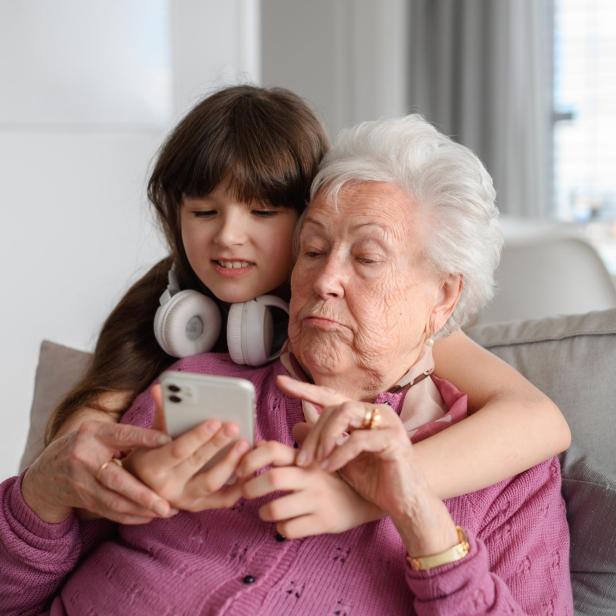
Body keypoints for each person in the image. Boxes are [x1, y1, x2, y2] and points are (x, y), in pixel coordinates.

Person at [0, 114, 572, 614]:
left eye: (367, 258)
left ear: (444, 297)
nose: (324, 280)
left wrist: (419, 517)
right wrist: (38, 499)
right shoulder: (193, 383)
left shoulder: (505, 471)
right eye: (313, 250)